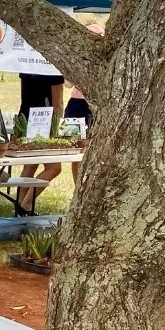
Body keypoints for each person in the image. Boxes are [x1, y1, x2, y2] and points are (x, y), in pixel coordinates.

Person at [16, 71, 65, 213]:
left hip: (25, 117)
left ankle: (20, 205)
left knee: (30, 166)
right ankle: (26, 204)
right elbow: (58, 104)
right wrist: (55, 129)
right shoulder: (53, 71)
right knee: (54, 168)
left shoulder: (27, 65)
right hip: (44, 121)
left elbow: (24, 96)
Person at [64, 23, 104, 183]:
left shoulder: (106, 58)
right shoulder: (77, 56)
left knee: (93, 149)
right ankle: (77, 188)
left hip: (94, 105)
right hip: (77, 105)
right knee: (77, 150)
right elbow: (67, 83)